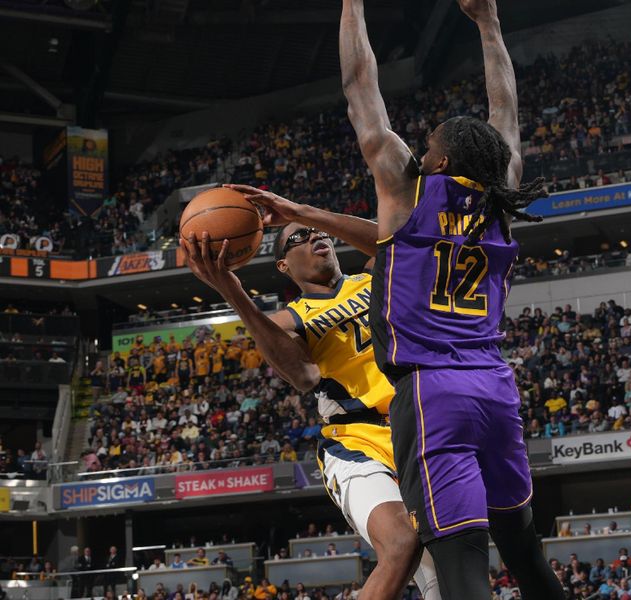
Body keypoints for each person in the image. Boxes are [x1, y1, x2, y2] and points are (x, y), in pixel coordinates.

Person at [338, 0, 561, 598]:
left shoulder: (404, 191)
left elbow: (361, 86)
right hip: (494, 384)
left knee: (462, 563)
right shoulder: (501, 196)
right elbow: (506, 113)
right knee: (525, 552)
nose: (419, 146)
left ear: (435, 161)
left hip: (433, 391)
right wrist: (489, 22)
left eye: (427, 142)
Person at [181, 196, 440, 600]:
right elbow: (303, 376)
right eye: (298, 238)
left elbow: (401, 240)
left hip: (421, 429)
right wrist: (234, 292)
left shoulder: (374, 277)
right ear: (283, 265)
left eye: (318, 233)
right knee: (402, 543)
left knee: (444, 574)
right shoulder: (289, 317)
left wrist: (305, 213)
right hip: (357, 442)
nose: (314, 237)